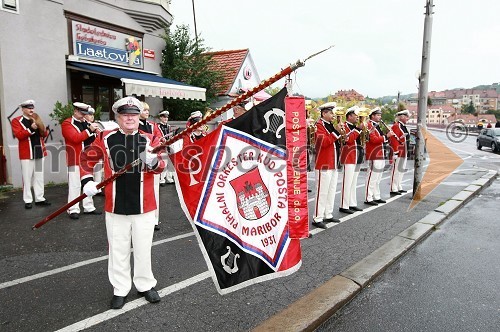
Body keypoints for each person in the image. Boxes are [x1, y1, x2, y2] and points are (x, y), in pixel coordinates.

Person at [80, 96, 166, 310]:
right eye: (125, 115)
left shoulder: (150, 139)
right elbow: (87, 159)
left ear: (139, 117)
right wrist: (87, 181)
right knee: (117, 248)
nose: (130, 118)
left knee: (143, 247)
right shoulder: (105, 137)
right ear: (118, 117)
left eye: (134, 115)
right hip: (115, 205)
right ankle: (120, 288)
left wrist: (152, 161)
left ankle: (145, 284)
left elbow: (162, 166)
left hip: (144, 206)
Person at [61, 102, 101, 219]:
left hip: (88, 159)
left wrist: (97, 132)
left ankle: (88, 207)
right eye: (81, 113)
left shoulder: (87, 123)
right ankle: (73, 209)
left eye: (85, 114)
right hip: (75, 158)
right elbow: (75, 138)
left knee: (88, 184)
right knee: (75, 185)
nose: (84, 116)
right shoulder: (67, 124)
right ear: (75, 111)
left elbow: (94, 139)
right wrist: (89, 130)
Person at [11, 99, 51, 209]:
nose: (31, 110)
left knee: (39, 177)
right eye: (28, 108)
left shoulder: (36, 118)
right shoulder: (16, 121)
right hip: (26, 153)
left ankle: (39, 198)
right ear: (23, 109)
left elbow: (44, 134)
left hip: (39, 151)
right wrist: (30, 129)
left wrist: (41, 127)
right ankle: (28, 200)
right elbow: (19, 135)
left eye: (32, 108)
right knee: (27, 177)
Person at [313, 102, 342, 229]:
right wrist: (336, 132)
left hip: (333, 162)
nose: (333, 115)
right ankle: (317, 217)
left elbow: (335, 142)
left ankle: (328, 214)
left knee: (331, 190)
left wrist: (340, 133)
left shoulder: (329, 125)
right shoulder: (319, 125)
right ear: (324, 113)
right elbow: (324, 142)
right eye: (331, 113)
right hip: (323, 162)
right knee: (322, 191)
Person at [364, 107, 395, 205]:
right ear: (372, 116)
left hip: (380, 154)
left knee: (378, 178)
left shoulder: (377, 125)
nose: (380, 117)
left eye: (380, 115)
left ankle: (376, 196)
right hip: (373, 154)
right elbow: (373, 140)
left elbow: (381, 139)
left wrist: (387, 137)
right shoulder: (369, 125)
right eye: (378, 115)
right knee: (372, 177)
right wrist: (387, 136)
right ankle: (368, 198)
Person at [339, 106, 364, 214]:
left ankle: (352, 203)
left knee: (353, 182)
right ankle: (344, 205)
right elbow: (348, 140)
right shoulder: (344, 126)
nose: (357, 117)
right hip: (348, 156)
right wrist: (358, 129)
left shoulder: (354, 127)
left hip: (357, 155)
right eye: (355, 115)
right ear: (349, 116)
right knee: (347, 182)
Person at [389, 109, 411, 195]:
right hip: (399, 151)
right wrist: (395, 151)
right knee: (396, 170)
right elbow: (393, 139)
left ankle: (399, 185)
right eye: (406, 117)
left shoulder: (403, 126)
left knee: (401, 170)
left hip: (404, 151)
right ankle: (393, 187)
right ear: (401, 117)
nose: (407, 118)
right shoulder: (396, 126)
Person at [157, 110, 175, 186]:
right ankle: (162, 180)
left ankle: (170, 178)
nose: (166, 118)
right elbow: (157, 135)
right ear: (160, 117)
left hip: (169, 145)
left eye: (167, 117)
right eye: (164, 117)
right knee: (164, 162)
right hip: (162, 146)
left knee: (170, 162)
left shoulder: (169, 126)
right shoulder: (157, 126)